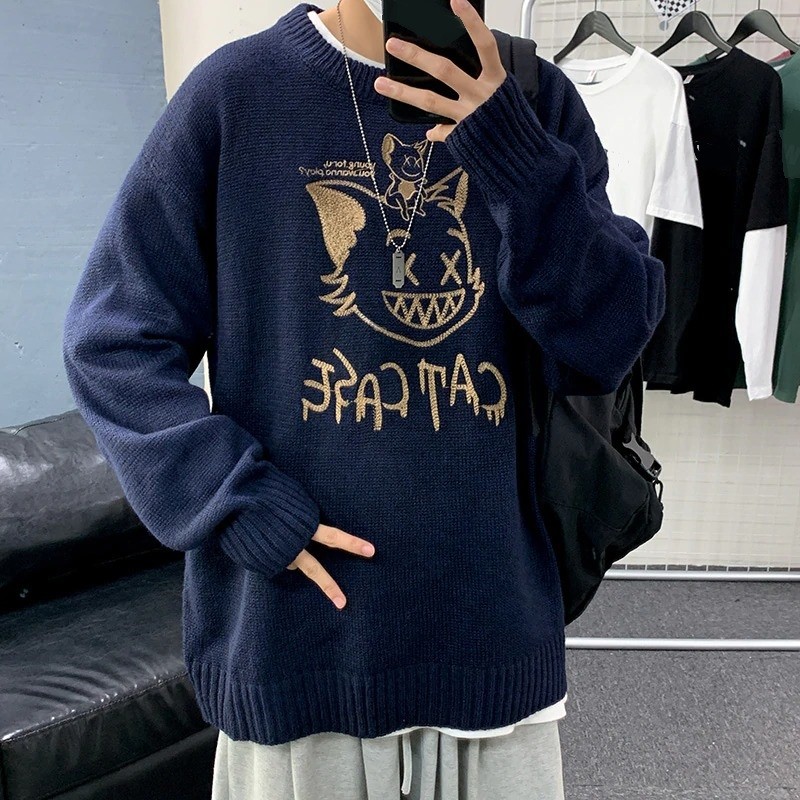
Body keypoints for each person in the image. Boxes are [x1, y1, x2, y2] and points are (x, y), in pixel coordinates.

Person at [61, 0, 666, 797]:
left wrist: (513, 154)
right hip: (297, 642)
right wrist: (232, 501)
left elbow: (609, 339)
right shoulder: (235, 96)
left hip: (490, 636)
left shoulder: (535, 99)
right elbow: (112, 340)